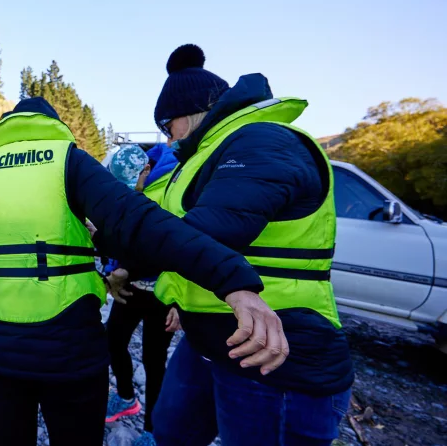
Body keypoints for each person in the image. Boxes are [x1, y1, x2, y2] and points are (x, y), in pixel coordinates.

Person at [0, 97, 289, 446]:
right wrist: (231, 280)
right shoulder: (68, 161)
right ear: (53, 126)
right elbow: (141, 223)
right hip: (67, 350)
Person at [145, 45, 354, 446]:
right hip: (210, 334)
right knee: (171, 432)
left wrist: (115, 246)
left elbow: (204, 233)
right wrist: (134, 272)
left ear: (185, 116)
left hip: (274, 348)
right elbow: (174, 229)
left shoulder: (263, 140)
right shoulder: (202, 158)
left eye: (167, 126)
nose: (167, 138)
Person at [104, 144, 180, 445]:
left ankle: (152, 429)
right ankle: (125, 397)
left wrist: (180, 300)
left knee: (153, 358)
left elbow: (174, 247)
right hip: (131, 287)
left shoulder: (173, 185)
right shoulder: (132, 190)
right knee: (112, 340)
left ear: (146, 171)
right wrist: (112, 266)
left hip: (161, 292)